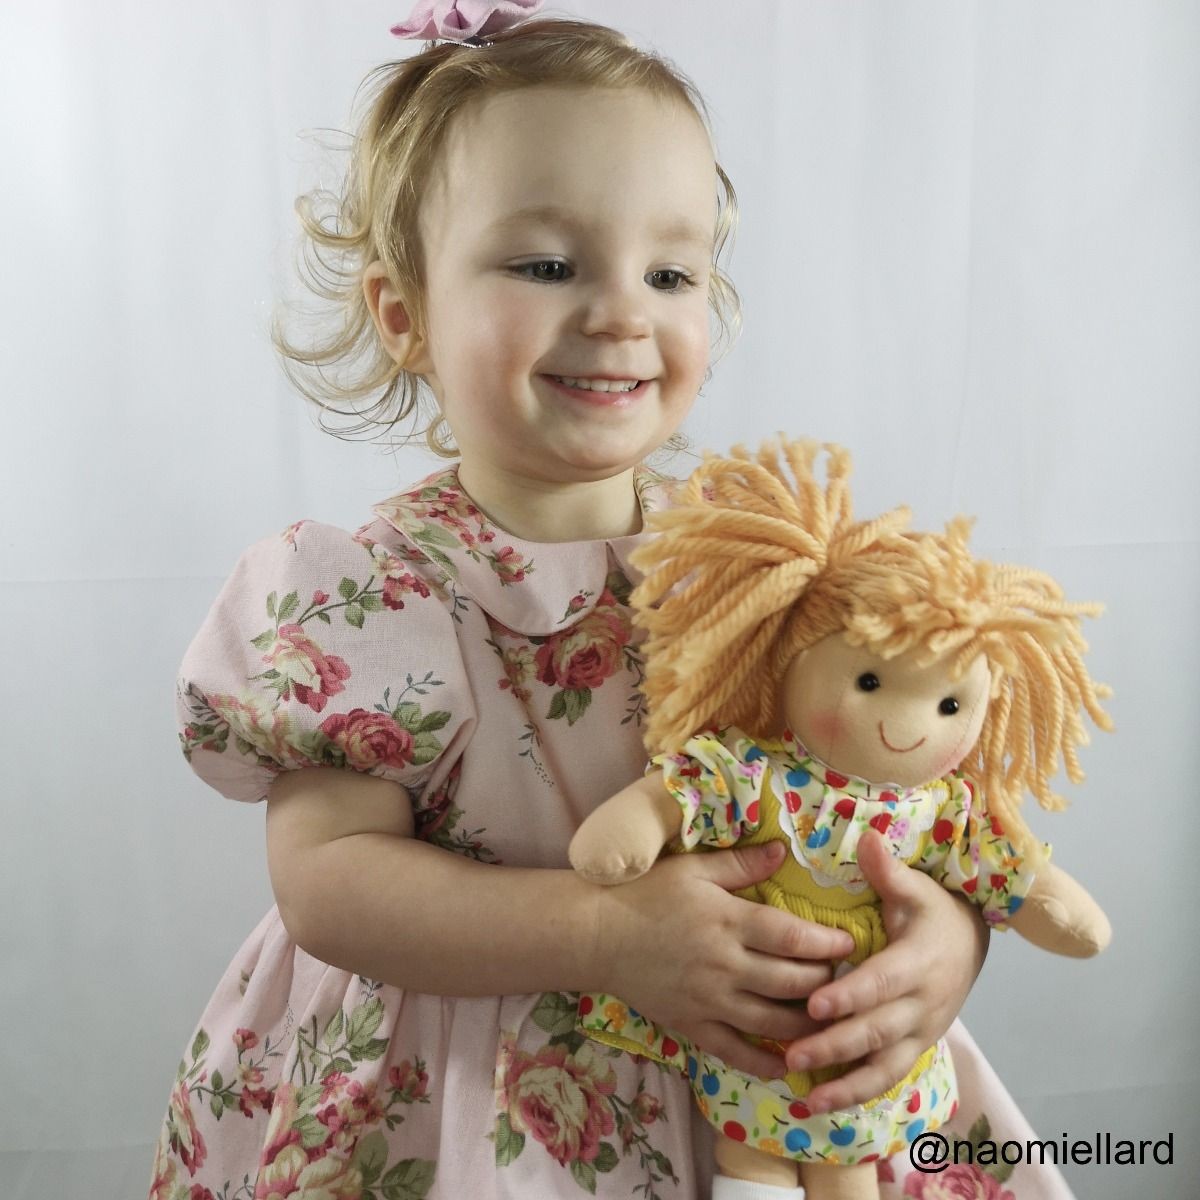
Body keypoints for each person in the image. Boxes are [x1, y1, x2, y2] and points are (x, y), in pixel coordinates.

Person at [147, 8, 1071, 1199]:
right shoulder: (372, 594)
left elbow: (895, 786)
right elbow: (328, 880)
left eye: (671, 273)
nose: (625, 312)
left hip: (764, 1081)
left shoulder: (763, 580)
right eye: (547, 264)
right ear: (404, 313)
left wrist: (944, 938)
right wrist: (604, 936)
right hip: (466, 1095)